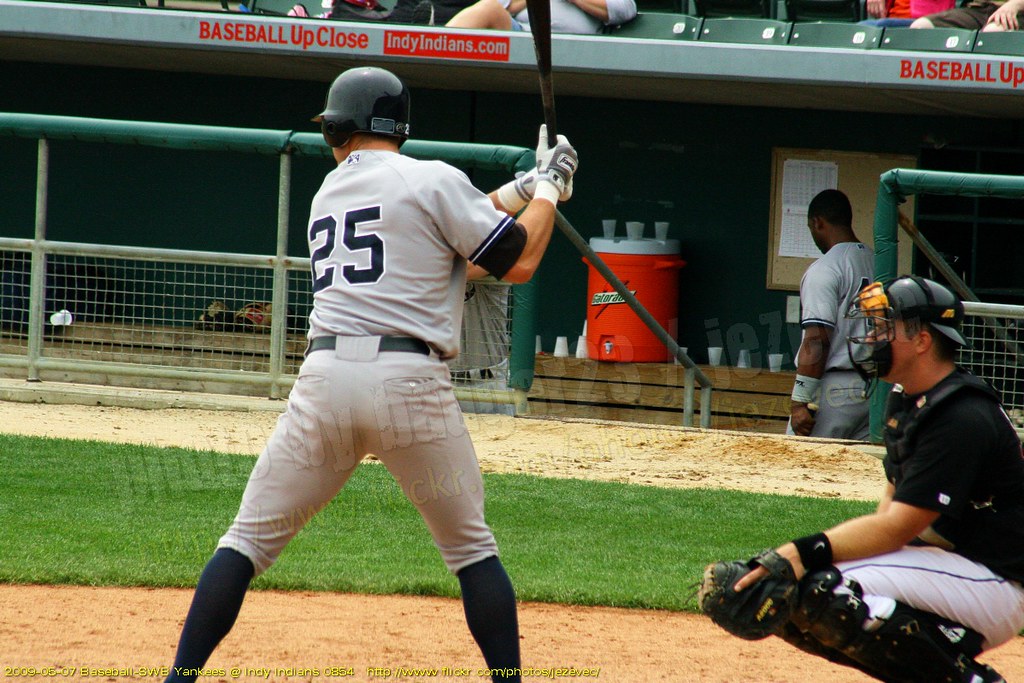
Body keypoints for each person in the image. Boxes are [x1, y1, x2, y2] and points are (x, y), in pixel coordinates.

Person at [162, 66, 578, 683]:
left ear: (340, 130)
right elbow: (516, 260)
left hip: (324, 383)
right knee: (471, 551)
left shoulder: (329, 192)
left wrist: (522, 188)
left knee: (245, 543)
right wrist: (547, 189)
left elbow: (446, 236)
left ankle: (179, 678)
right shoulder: (431, 178)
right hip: (408, 384)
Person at [735, 276, 1023, 682]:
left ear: (921, 340)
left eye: (883, 326)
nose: (871, 337)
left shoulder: (961, 416)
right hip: (953, 566)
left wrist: (798, 553)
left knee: (829, 591)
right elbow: (887, 517)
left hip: (996, 581)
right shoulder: (909, 399)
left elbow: (898, 527)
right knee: (797, 593)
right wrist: (798, 564)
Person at [788, 189, 873, 440]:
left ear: (817, 222)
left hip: (835, 391)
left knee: (802, 461)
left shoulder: (825, 268)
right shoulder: (879, 263)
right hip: (875, 389)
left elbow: (817, 340)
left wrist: (800, 401)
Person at [445, 0, 637, 35]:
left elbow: (625, 9)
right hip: (524, 37)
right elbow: (501, 5)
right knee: (489, 9)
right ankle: (435, 52)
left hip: (572, 49)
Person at [910, 0, 1024, 29]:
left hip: (1016, 10)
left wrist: (1015, 4)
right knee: (921, 26)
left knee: (993, 32)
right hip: (978, 8)